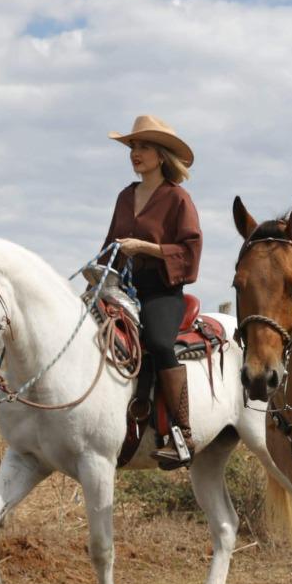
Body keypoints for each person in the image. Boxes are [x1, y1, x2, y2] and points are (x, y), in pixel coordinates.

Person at [103, 115, 203, 468]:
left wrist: (146, 248)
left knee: (160, 343)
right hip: (124, 289)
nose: (135, 153)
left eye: (143, 146)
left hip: (162, 291)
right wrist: (99, 274)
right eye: (132, 146)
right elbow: (110, 248)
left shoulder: (178, 199)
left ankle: (182, 434)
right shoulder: (124, 196)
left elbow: (190, 252)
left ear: (160, 155)